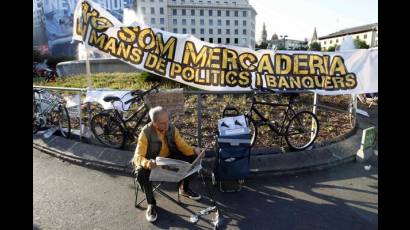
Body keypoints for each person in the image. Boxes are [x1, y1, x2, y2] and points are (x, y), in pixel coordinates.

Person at [132, 106, 203, 222]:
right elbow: (137, 157)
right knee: (141, 172)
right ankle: (151, 203)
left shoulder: (172, 128)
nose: (166, 125)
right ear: (154, 123)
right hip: (153, 161)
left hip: (169, 157)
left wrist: (194, 150)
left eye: (167, 121)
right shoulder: (145, 133)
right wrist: (147, 163)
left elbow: (182, 146)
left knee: (194, 158)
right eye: (162, 123)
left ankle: (184, 189)